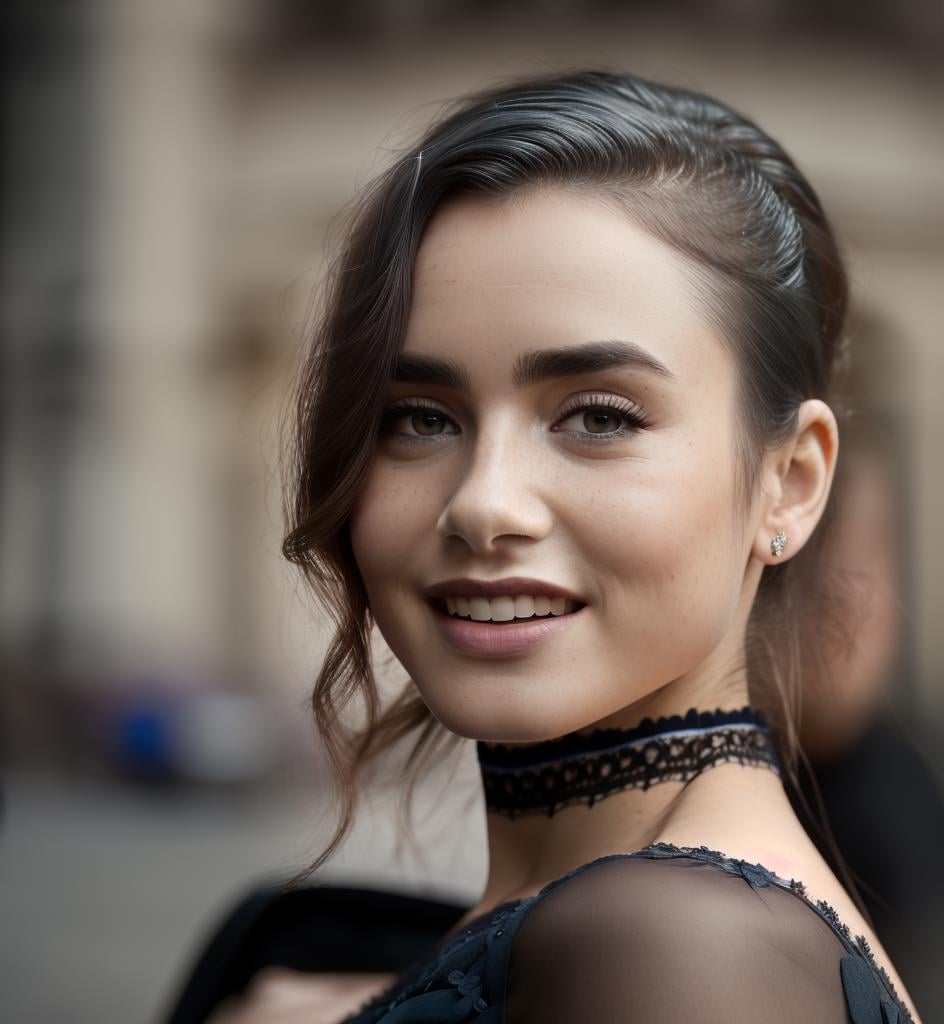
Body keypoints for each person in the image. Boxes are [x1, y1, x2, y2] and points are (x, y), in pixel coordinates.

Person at [227, 69, 925, 1022]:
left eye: (597, 416)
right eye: (418, 419)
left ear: (790, 481)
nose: (484, 504)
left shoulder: (681, 950)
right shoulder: (608, 930)